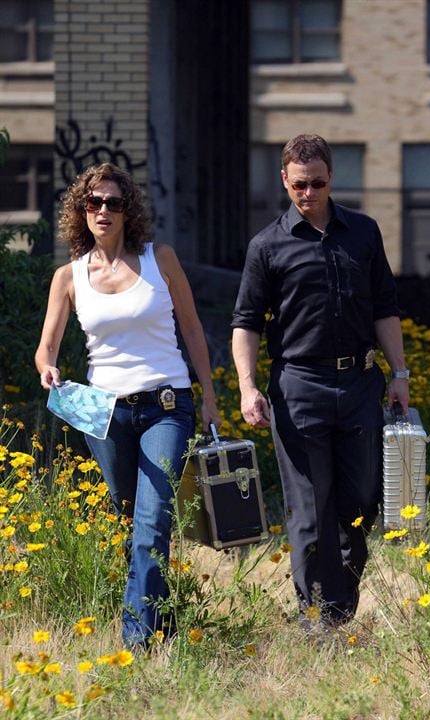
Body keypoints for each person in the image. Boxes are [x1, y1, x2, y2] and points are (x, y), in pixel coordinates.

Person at [35, 162, 221, 649]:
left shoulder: (161, 260)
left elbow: (194, 329)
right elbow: (47, 345)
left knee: (153, 519)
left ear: (127, 210)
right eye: (93, 202)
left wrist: (210, 397)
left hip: (166, 406)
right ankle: (164, 621)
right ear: (81, 211)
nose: (103, 210)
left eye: (113, 203)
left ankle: (136, 643)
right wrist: (47, 368)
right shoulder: (68, 276)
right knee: (130, 520)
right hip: (105, 414)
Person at [232, 134, 409, 634]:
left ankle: (340, 608)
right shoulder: (266, 245)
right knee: (310, 513)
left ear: (332, 179)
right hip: (298, 387)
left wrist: (399, 375)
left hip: (359, 384)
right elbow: (245, 321)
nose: (308, 193)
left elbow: (385, 308)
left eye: (318, 183)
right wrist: (247, 387)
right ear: (284, 181)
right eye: (299, 184)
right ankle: (317, 621)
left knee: (360, 506)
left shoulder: (364, 233)